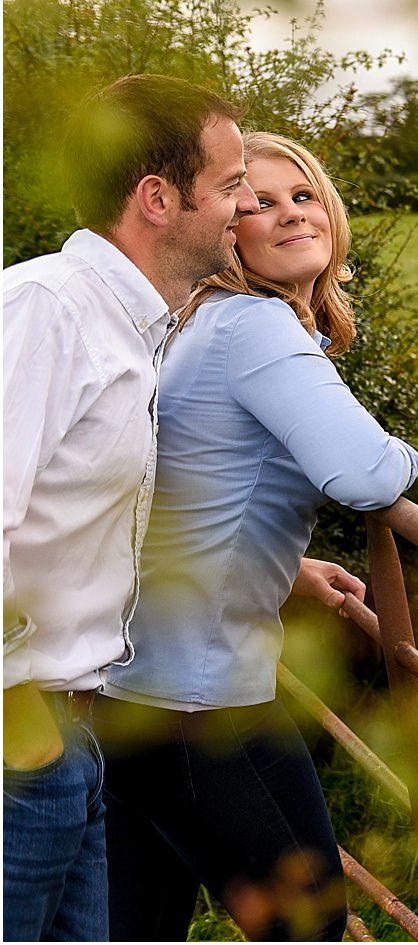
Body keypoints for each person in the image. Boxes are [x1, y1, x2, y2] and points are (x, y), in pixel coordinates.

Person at [91, 131, 418, 941]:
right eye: (256, 202)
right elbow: (369, 475)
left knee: (141, 921)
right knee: (310, 921)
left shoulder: (196, 325)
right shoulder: (255, 329)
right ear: (225, 232)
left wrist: (288, 564)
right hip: (200, 700)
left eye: (302, 195)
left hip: (132, 686)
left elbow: (194, 488)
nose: (288, 214)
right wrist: (409, 451)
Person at [4, 74, 257, 942]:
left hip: (72, 732)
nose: (248, 201)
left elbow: (83, 523)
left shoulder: (129, 326)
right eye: (229, 183)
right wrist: (24, 730)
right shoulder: (46, 308)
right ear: (157, 197)